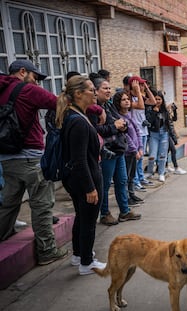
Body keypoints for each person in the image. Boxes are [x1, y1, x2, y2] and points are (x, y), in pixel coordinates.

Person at [0, 60, 68, 265]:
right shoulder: (27, 90)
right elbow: (61, 104)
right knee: (42, 203)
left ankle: (3, 236)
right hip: (30, 156)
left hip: (6, 157)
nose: (37, 82)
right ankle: (47, 251)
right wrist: (97, 110)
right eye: (36, 77)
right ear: (23, 72)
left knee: (9, 202)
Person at [56, 75, 106, 275]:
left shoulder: (75, 115)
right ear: (78, 94)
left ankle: (78, 255)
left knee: (81, 218)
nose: (95, 93)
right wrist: (90, 188)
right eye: (91, 90)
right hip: (85, 179)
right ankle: (87, 262)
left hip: (79, 179)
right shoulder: (78, 121)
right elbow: (79, 159)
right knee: (88, 222)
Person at [88, 78, 141, 226]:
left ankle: (124, 211)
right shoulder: (92, 109)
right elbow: (96, 131)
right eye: (105, 88)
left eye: (109, 88)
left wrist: (121, 125)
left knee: (122, 181)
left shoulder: (108, 105)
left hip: (118, 149)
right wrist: (115, 126)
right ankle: (104, 214)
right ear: (96, 91)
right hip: (107, 152)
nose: (108, 91)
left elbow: (117, 121)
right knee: (104, 185)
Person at [112, 90, 144, 205]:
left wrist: (140, 147)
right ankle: (126, 197)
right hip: (127, 151)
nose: (126, 102)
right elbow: (125, 136)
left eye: (127, 99)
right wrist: (135, 150)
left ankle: (131, 194)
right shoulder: (118, 117)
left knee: (132, 175)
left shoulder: (130, 114)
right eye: (123, 100)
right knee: (125, 176)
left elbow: (137, 131)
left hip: (135, 150)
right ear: (118, 102)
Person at [128, 76, 156, 188]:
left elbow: (153, 102)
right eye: (140, 84)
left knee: (141, 156)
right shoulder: (129, 99)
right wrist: (138, 91)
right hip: (135, 132)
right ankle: (135, 181)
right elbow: (140, 106)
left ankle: (140, 177)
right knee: (136, 157)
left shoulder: (141, 97)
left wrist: (147, 89)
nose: (142, 87)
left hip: (143, 131)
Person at [145, 91, 173, 182]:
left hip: (164, 134)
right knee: (152, 155)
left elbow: (169, 123)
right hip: (154, 134)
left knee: (162, 155)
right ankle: (150, 172)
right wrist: (154, 112)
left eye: (159, 99)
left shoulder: (165, 111)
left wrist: (173, 136)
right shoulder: (150, 109)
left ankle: (161, 173)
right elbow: (148, 121)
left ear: (162, 100)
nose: (157, 101)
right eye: (156, 99)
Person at [165, 102, 187, 175]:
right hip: (166, 135)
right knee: (173, 150)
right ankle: (176, 167)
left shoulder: (169, 114)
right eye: (170, 108)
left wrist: (175, 110)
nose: (170, 109)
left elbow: (174, 119)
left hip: (170, 135)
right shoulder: (165, 114)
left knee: (167, 151)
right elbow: (169, 127)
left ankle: (166, 166)